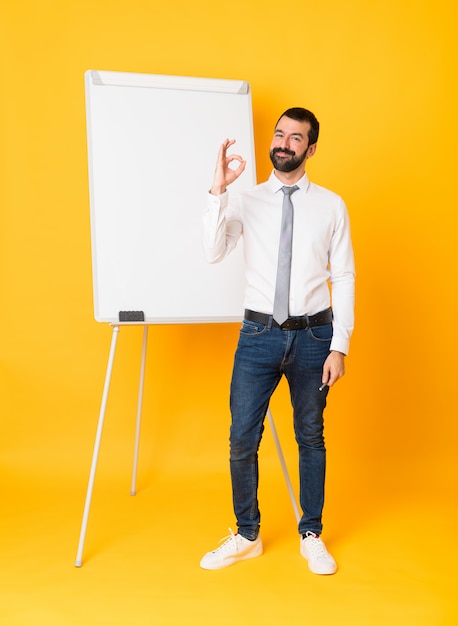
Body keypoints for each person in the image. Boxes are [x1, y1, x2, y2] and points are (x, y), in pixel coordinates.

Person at [200, 108, 355, 575]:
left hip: (314, 335)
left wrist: (339, 344)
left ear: (311, 149)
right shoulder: (245, 201)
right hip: (258, 334)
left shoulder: (331, 205)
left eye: (296, 138)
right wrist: (219, 189)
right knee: (241, 438)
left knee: (311, 436)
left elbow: (344, 275)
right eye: (279, 134)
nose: (284, 143)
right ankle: (247, 534)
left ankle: (311, 534)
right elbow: (211, 252)